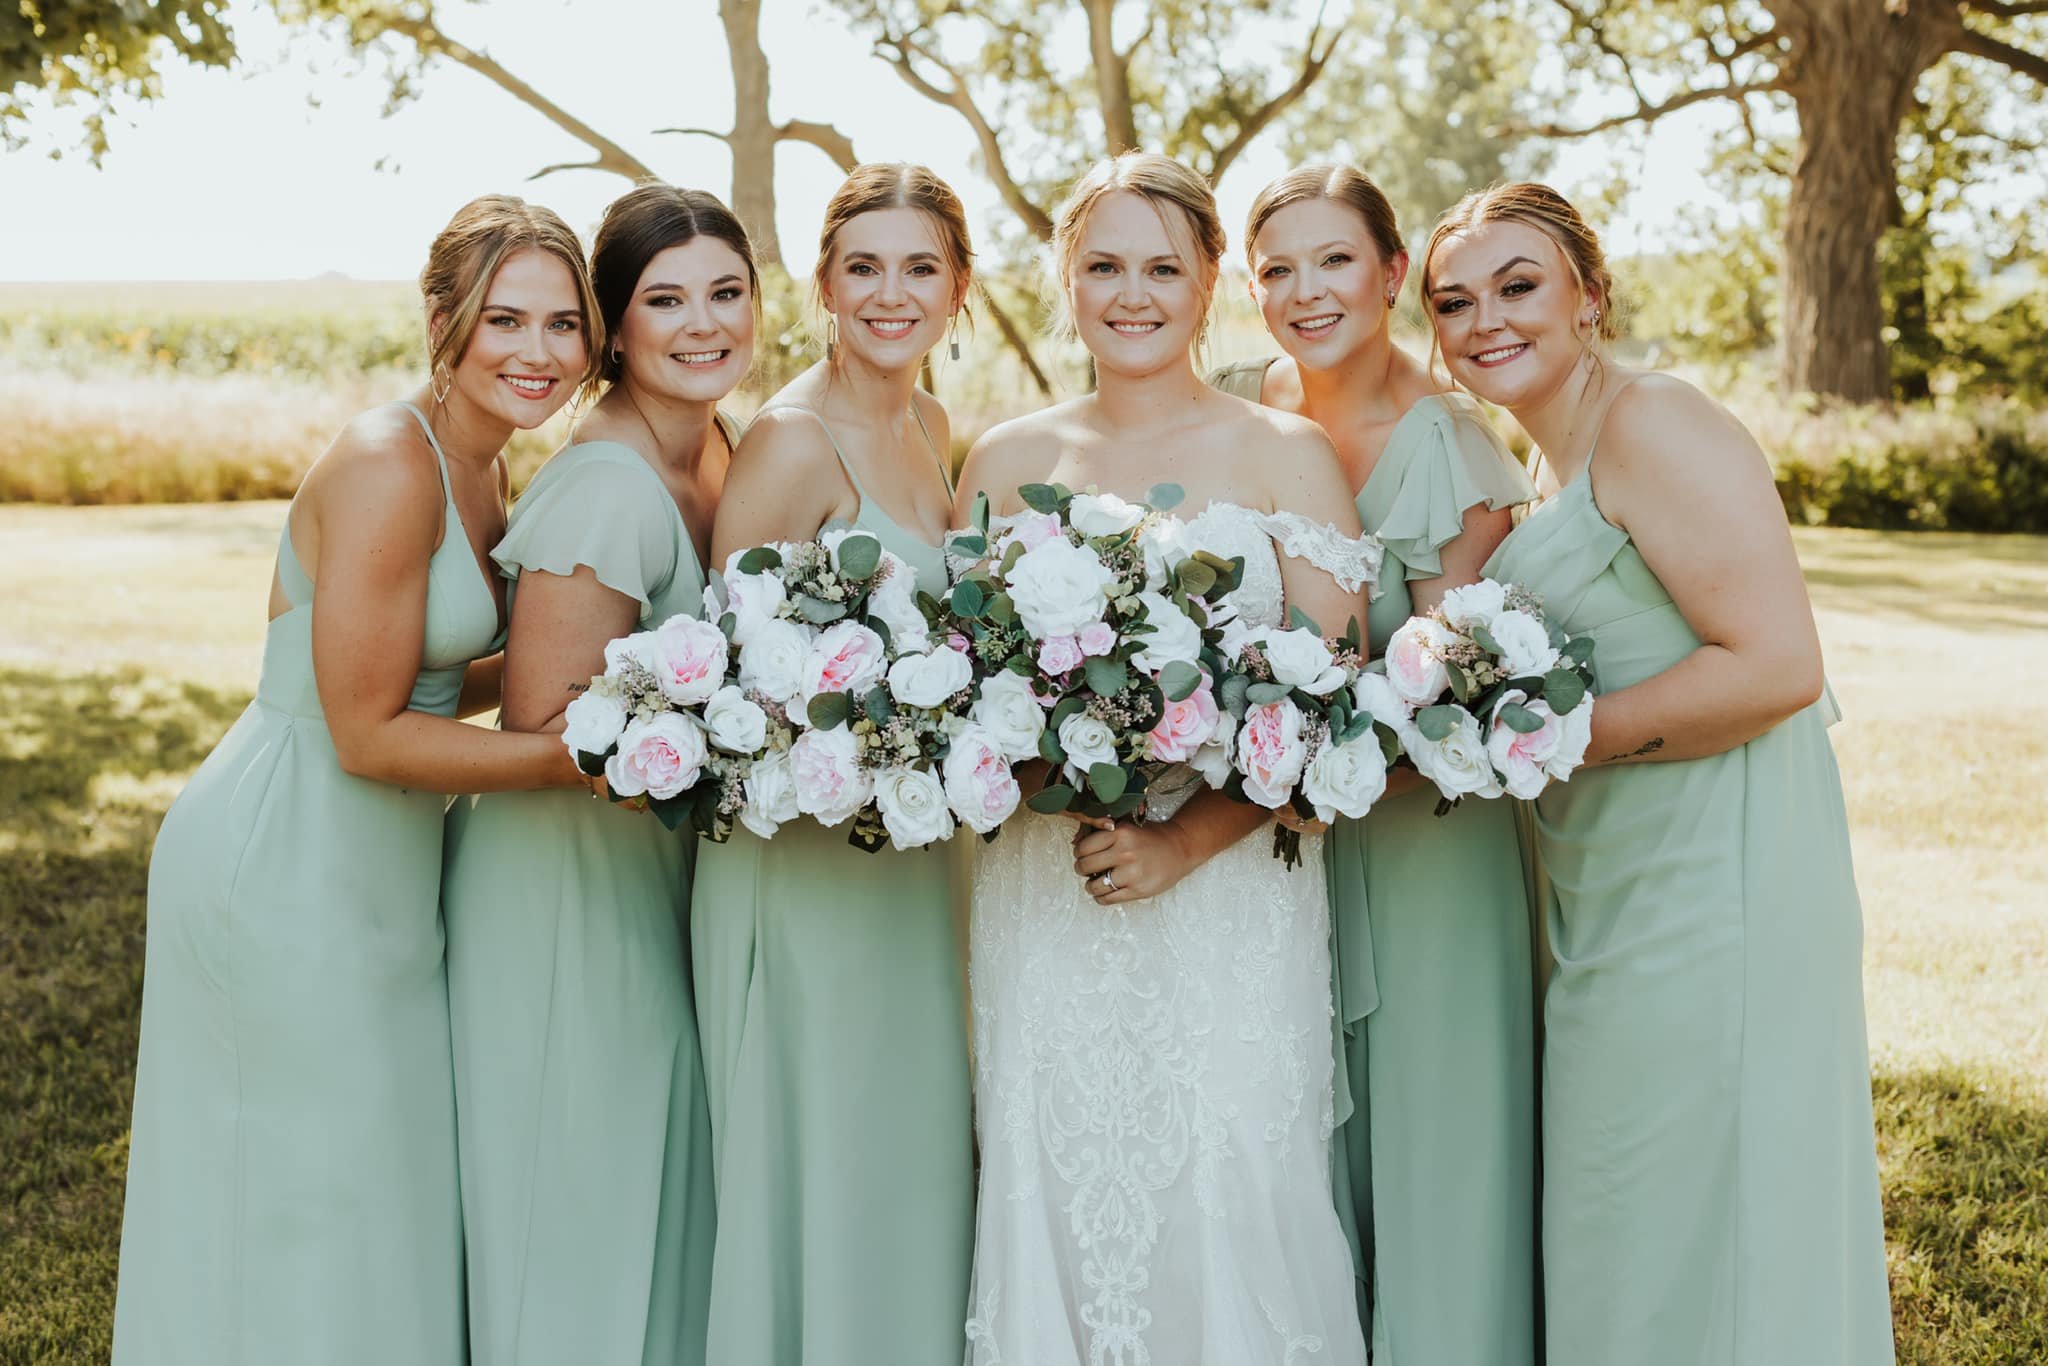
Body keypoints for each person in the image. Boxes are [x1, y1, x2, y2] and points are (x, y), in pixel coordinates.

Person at [113, 194, 595, 1365]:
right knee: (292, 1186)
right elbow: (367, 731)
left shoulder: (486, 469)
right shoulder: (393, 462)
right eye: (505, 321)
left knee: (369, 1179)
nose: (537, 352)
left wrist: (609, 684)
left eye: (563, 324)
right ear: (443, 320)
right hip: (285, 856)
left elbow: (431, 676)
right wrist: (577, 759)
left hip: (378, 857)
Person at [1427, 181, 1895, 1365]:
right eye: (1452, 300)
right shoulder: (1540, 473)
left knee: (1697, 1206)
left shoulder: (1654, 422)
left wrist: (1541, 744)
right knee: (1623, 1211)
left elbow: (1777, 663)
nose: (1485, 318)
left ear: (1589, 294)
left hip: (1714, 883)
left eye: (1518, 285)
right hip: (1608, 881)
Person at [956, 150, 1376, 1366]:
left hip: (1228, 892)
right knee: (1057, 1166)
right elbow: (975, 699)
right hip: (1051, 888)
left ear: (1207, 285)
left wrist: (1184, 836)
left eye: (1160, 267)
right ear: (1064, 282)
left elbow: (1329, 704)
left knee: (1231, 1163)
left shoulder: (1284, 453)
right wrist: (1059, 774)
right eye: (1101, 266)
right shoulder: (1001, 460)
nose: (1129, 293)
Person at [1213, 163, 1537, 1362]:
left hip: (1420, 855)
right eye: (1275, 269)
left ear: (1393, 272)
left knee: (1428, 1141)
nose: (1306, 292)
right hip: (1266, 857)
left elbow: (1452, 700)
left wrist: (1298, 775)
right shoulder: (1235, 400)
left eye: (1334, 260)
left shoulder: (1449, 449)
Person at [441, 183, 756, 1366]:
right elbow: (549, 720)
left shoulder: (718, 448)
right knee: (574, 1205)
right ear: (611, 328)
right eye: (662, 300)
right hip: (558, 895)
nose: (700, 324)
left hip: (646, 878)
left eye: (725, 293)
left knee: (646, 1187)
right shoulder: (605, 482)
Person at [689, 162, 976, 1366]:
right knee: (823, 1161)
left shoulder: (929, 424)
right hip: (803, 872)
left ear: (957, 287)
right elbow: (717, 683)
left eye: (919, 267)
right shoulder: (788, 444)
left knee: (907, 1158)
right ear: (822, 283)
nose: (890, 293)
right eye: (864, 267)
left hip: (916, 861)